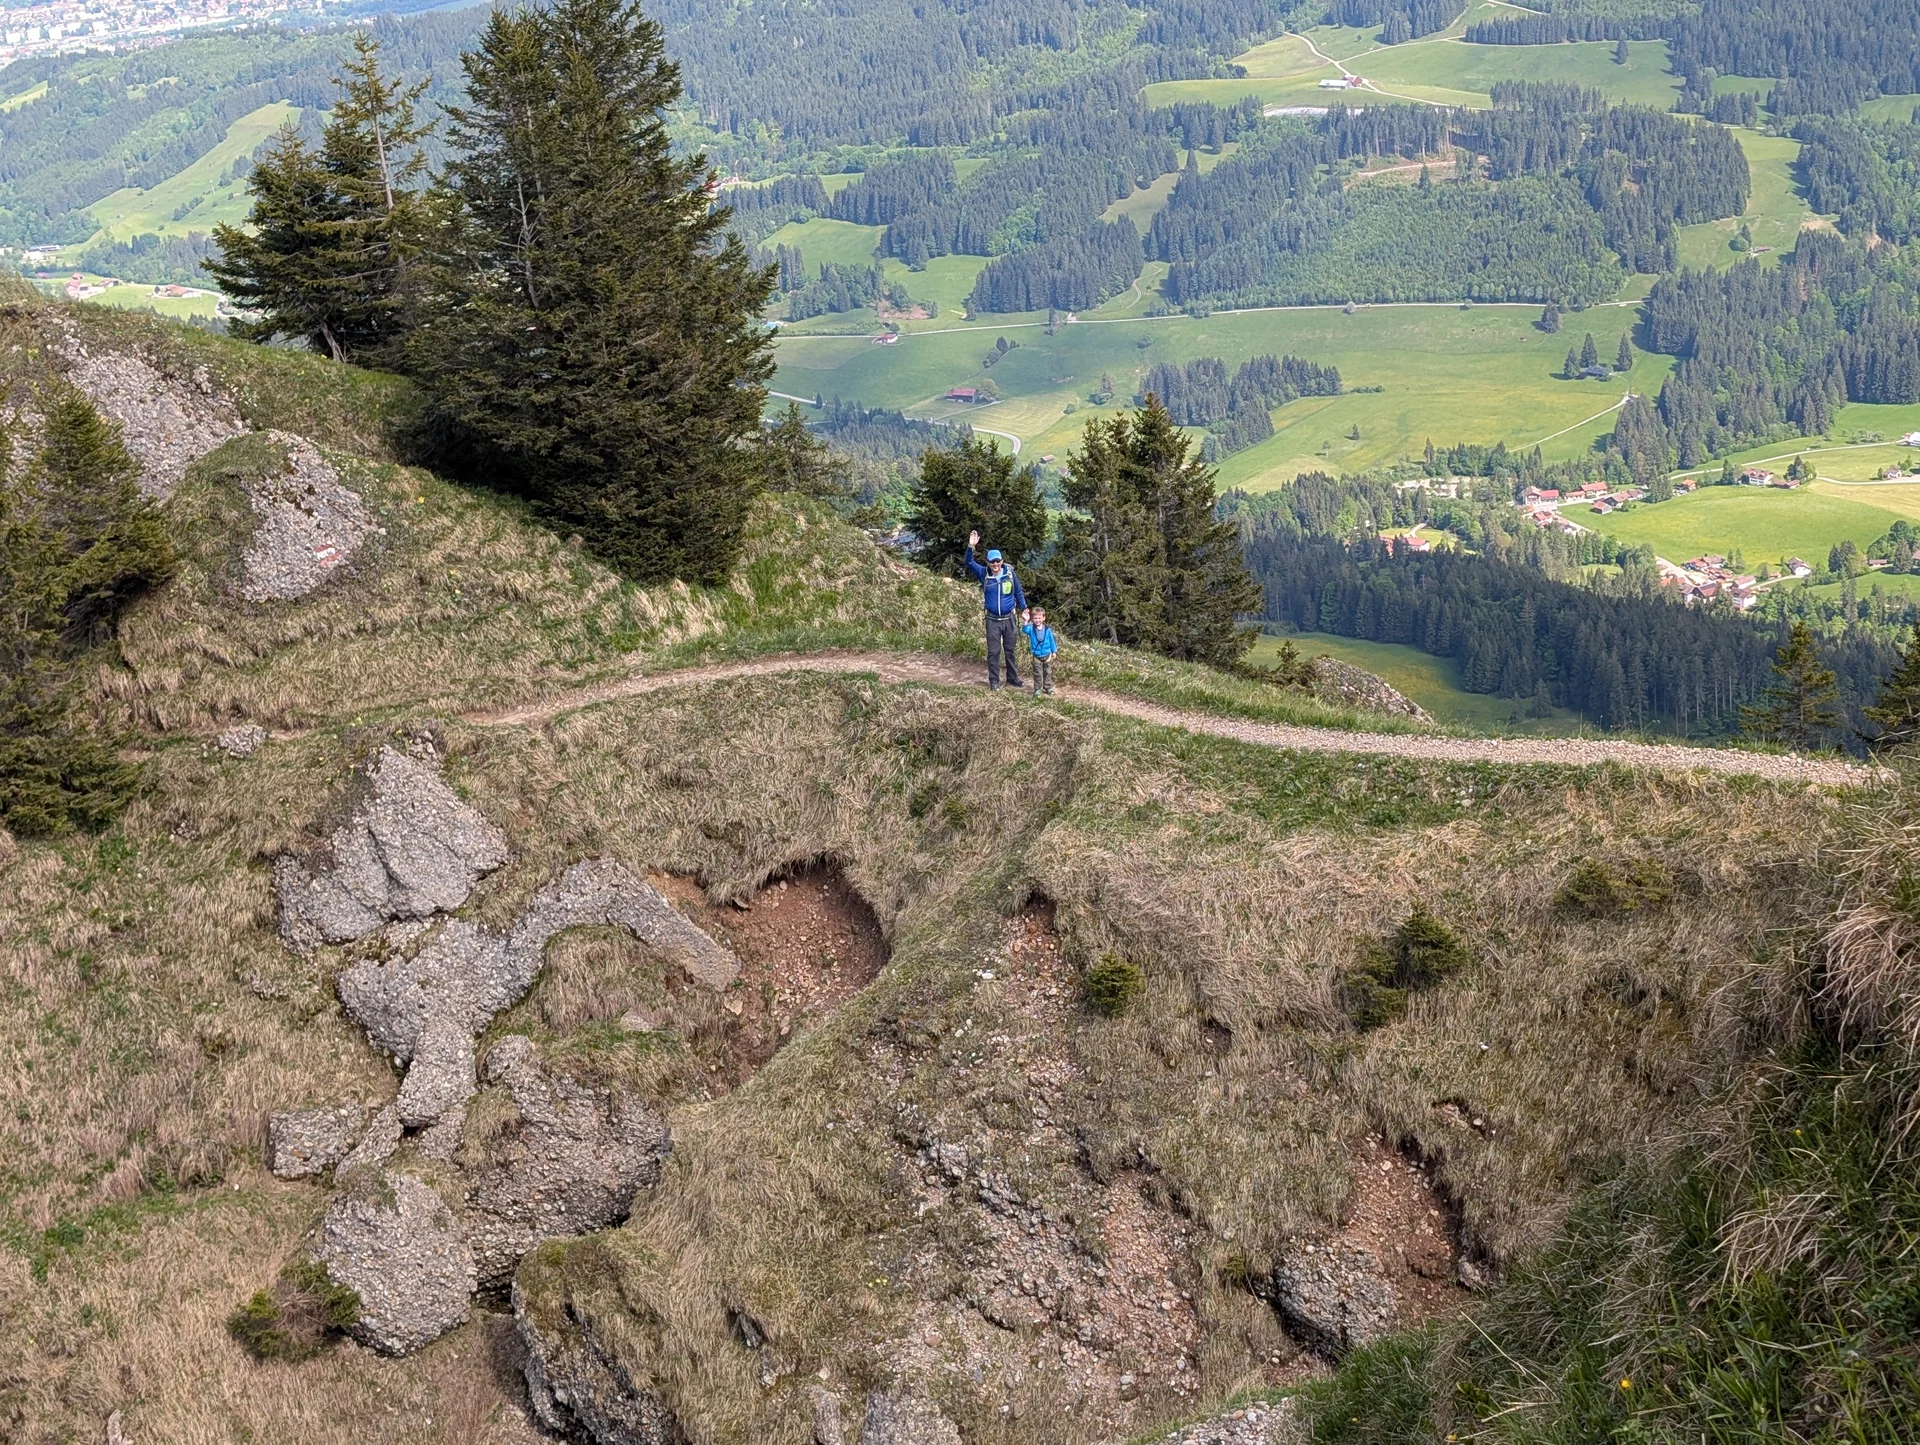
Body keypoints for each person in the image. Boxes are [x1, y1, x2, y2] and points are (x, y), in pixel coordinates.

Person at [965, 529, 1026, 690]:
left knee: (1010, 651)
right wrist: (971, 547)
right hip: (992, 620)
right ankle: (994, 681)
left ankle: (1012, 678)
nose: (995, 564)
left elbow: (1018, 592)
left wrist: (1025, 608)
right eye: (992, 562)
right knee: (993, 652)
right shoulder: (984, 573)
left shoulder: (1010, 574)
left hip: (1010, 619)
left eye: (998, 561)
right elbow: (969, 562)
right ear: (988, 562)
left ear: (1002, 561)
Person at [1023, 607, 1058, 697]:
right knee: (1037, 673)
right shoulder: (1031, 629)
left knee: (1048, 672)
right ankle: (1037, 689)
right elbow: (1025, 630)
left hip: (1047, 655)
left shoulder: (1047, 630)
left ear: (1043, 618)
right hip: (1037, 656)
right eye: (1035, 618)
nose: (1037, 620)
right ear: (1032, 619)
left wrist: (1054, 651)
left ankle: (1048, 687)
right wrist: (1026, 621)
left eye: (1039, 618)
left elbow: (1051, 641)